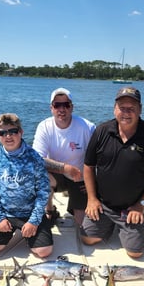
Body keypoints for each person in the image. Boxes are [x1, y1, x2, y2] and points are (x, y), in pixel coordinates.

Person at [81, 86, 144, 258]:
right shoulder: (102, 131)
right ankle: (109, 225)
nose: (126, 113)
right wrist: (92, 199)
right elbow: (88, 166)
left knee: (135, 253)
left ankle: (132, 226)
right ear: (115, 109)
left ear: (140, 110)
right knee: (88, 239)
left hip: (132, 208)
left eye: (132, 108)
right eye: (122, 108)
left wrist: (141, 205)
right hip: (104, 205)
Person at [0, 113, 53, 258]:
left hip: (30, 213)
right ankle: (15, 231)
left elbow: (43, 191)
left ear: (20, 132)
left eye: (13, 131)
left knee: (44, 251)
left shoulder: (35, 158)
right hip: (5, 213)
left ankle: (30, 233)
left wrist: (34, 221)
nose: (8, 136)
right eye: (3, 133)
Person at [33, 87, 96, 226]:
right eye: (57, 105)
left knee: (83, 226)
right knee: (39, 176)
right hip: (56, 176)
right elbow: (36, 159)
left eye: (66, 105)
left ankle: (75, 207)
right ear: (51, 108)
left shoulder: (87, 127)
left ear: (72, 107)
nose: (62, 109)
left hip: (80, 177)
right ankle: (50, 210)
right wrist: (65, 168)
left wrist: (93, 182)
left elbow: (101, 157)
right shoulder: (44, 127)